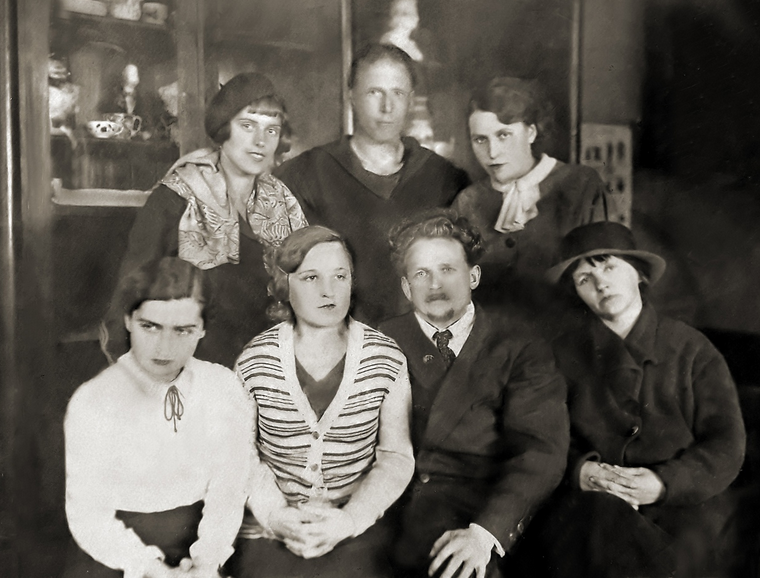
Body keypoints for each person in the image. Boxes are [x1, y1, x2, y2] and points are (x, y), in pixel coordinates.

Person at [524, 221, 746, 578]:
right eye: (584, 279)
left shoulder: (692, 349)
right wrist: (581, 471)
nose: (600, 284)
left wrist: (663, 483)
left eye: (610, 268)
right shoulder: (560, 355)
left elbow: (727, 444)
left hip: (680, 504)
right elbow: (540, 436)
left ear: (639, 273)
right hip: (591, 504)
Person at [378, 210, 569, 578]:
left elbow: (540, 452)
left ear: (474, 276)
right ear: (405, 287)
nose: (435, 285)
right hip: (388, 508)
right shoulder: (378, 340)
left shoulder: (520, 345)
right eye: (421, 273)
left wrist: (485, 533)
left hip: (477, 511)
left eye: (447, 269)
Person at [227, 226, 415, 578]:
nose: (328, 291)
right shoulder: (255, 362)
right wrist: (275, 515)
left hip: (357, 525)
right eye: (311, 277)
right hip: (274, 527)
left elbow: (396, 457)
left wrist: (350, 519)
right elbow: (240, 455)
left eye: (340, 276)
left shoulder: (385, 358)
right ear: (285, 285)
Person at [63, 257, 253, 578]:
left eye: (183, 330)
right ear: (128, 320)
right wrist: (152, 570)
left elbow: (229, 489)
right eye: (150, 327)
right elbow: (88, 515)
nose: (165, 347)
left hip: (202, 542)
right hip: (116, 551)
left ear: (202, 329)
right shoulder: (94, 399)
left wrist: (207, 562)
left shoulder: (221, 386)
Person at [104, 72, 308, 368]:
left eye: (272, 130)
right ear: (223, 129)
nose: (260, 141)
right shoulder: (174, 200)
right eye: (247, 126)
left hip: (269, 371)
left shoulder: (283, 202)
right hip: (189, 373)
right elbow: (127, 303)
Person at [275, 44, 470, 326]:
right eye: (374, 92)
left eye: (397, 93)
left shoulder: (445, 179)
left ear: (411, 100)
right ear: (351, 97)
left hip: (426, 342)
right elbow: (281, 278)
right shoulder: (306, 174)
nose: (387, 107)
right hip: (336, 341)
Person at [451, 76, 615, 316]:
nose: (492, 152)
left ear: (530, 132)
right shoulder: (468, 202)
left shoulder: (580, 185)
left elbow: (605, 275)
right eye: (480, 140)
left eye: (503, 135)